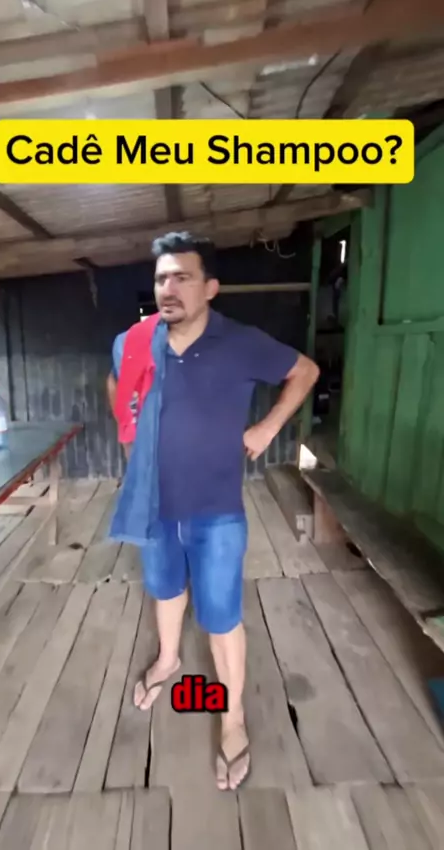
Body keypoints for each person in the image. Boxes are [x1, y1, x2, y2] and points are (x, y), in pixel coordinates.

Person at [107, 231, 319, 791]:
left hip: (216, 510)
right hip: (154, 505)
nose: (169, 288)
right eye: (161, 278)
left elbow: (305, 371)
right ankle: (169, 660)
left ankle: (233, 719)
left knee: (221, 616)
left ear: (210, 288)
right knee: (164, 589)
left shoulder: (240, 342)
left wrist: (268, 427)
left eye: (183, 277)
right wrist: (129, 435)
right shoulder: (136, 342)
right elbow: (115, 382)